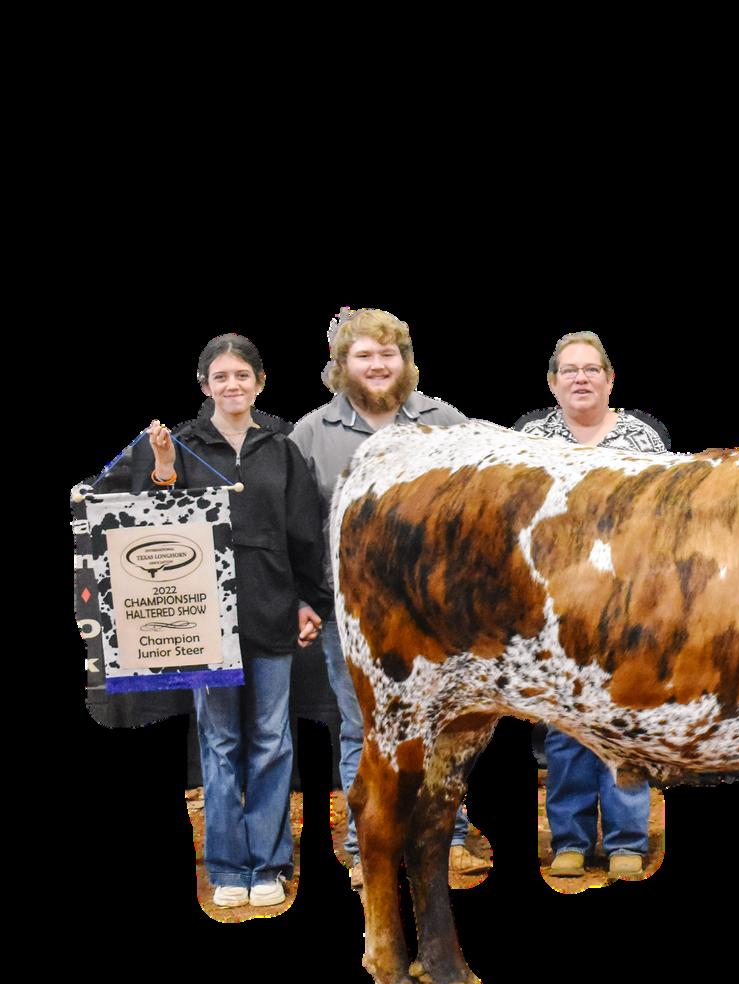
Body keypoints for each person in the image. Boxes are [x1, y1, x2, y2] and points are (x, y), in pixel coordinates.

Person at [101, 334, 327, 909]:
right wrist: (163, 468)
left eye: (242, 375)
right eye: (220, 376)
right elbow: (145, 524)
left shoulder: (282, 449)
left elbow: (305, 532)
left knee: (272, 741)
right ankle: (227, 866)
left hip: (272, 610)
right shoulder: (179, 444)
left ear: (260, 383)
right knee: (220, 741)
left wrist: (310, 601)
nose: (232, 385)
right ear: (205, 385)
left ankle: (269, 863)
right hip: (203, 622)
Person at [289, 308, 490, 887]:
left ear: (405, 361)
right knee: (362, 727)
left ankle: (447, 837)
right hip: (349, 615)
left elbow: (480, 513)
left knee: (441, 725)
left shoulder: (446, 423)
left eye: (388, 354)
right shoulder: (311, 433)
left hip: (436, 617)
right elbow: (295, 528)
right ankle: (366, 847)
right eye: (364, 356)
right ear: (341, 365)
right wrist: (301, 599)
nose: (378, 365)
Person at [513, 331, 669, 880]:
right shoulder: (531, 439)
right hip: (556, 611)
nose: (581, 378)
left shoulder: (642, 438)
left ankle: (627, 840)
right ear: (553, 383)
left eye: (591, 369)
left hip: (630, 606)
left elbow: (665, 521)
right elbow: (517, 522)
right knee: (566, 727)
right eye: (569, 371)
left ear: (609, 379)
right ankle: (571, 840)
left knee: (625, 722)